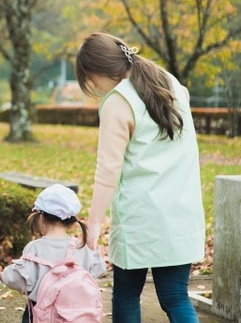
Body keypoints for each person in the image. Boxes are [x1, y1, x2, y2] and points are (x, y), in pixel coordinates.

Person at [75, 32, 205, 323]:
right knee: (175, 298)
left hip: (140, 218)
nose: (93, 86)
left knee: (125, 294)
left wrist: (94, 223)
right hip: (181, 213)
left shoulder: (118, 102)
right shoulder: (171, 83)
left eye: (89, 78)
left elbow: (108, 169)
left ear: (97, 72)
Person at [0, 184, 106, 323]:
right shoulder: (80, 246)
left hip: (41, 314)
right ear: (71, 220)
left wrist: (4, 276)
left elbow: (19, 279)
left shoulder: (35, 248)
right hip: (76, 315)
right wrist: (94, 251)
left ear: (41, 217)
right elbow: (99, 269)